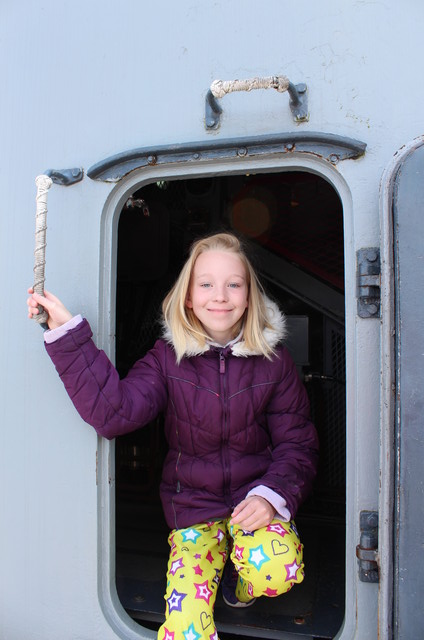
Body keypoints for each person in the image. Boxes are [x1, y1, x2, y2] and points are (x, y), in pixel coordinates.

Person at [27, 232, 318, 640]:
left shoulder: (275, 361)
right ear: (187, 297)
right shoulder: (168, 357)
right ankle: (216, 567)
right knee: (186, 631)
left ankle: (243, 579)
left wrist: (270, 496)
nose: (220, 295)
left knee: (275, 569)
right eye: (206, 284)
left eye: (233, 284)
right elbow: (115, 413)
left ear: (249, 296)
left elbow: (297, 444)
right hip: (193, 509)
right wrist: (66, 333)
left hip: (253, 502)